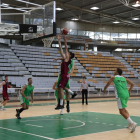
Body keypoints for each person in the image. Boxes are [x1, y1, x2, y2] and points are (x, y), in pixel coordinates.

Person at [103, 68, 137, 133]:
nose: (114, 71)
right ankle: (129, 124)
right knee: (124, 109)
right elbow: (132, 84)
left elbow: (107, 84)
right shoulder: (124, 78)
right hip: (126, 94)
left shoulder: (113, 77)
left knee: (121, 111)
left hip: (120, 95)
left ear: (117, 72)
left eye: (115, 70)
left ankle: (132, 123)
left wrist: (104, 90)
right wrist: (129, 91)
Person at [55, 35, 76, 110]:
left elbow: (64, 49)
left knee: (60, 89)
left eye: (68, 53)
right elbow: (62, 50)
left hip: (64, 76)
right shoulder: (68, 59)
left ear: (69, 55)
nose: (67, 53)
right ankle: (71, 95)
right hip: (67, 76)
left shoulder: (67, 59)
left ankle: (61, 104)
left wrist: (64, 40)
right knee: (63, 88)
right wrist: (60, 41)